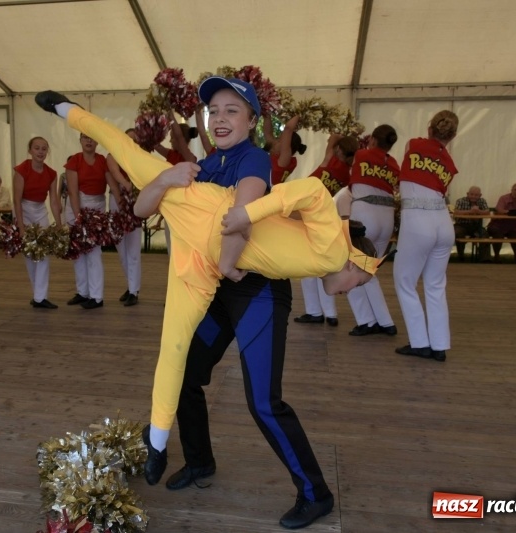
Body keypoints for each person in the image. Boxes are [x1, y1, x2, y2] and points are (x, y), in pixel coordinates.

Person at [34, 78, 379, 529]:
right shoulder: (206, 165)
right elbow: (152, 206)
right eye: (214, 111)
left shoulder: (253, 158)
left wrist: (230, 264)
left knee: (264, 402)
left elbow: (243, 215)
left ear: (252, 121)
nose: (220, 118)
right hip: (217, 284)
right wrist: (165, 178)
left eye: (232, 110)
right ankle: (199, 461)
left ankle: (316, 493)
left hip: (255, 289)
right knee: (188, 375)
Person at [393, 110, 460, 362]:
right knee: (435, 284)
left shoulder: (414, 144)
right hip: (443, 221)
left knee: (405, 280)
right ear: (453, 135)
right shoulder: (450, 163)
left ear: (430, 128)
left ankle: (420, 341)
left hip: (417, 218)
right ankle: (439, 344)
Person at [293, 134, 359, 326]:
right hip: (323, 216)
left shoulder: (330, 164)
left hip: (307, 214)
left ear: (338, 149)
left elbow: (328, 149)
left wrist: (332, 137)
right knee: (322, 265)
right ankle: (330, 312)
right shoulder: (346, 174)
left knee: (307, 267)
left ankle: (314, 311)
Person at [346, 125, 400, 337]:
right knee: (370, 268)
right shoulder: (393, 163)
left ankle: (367, 320)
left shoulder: (362, 154)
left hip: (364, 213)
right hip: (386, 216)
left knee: (354, 266)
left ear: (373, 140)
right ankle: (385, 321)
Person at [64, 132, 122, 309]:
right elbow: (72, 191)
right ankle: (83, 292)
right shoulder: (74, 160)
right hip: (77, 206)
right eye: (85, 138)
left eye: (92, 137)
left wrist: (124, 206)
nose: (89, 141)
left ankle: (97, 296)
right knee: (78, 252)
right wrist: (78, 216)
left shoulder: (102, 161)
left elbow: (112, 186)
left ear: (97, 140)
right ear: (80, 140)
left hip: (96, 208)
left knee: (94, 253)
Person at [13, 136, 63, 309]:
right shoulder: (21, 170)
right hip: (24, 209)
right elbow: (16, 200)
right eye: (37, 148)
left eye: (44, 148)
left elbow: (54, 201)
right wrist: (20, 226)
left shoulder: (51, 173)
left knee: (43, 253)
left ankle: (40, 297)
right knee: (29, 254)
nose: (40, 152)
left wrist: (59, 224)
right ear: (30, 150)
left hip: (40, 210)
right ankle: (38, 295)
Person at [107, 128, 144, 307]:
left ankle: (133, 290)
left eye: (135, 140)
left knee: (133, 248)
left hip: (136, 200)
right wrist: (126, 186)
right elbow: (113, 172)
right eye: (129, 139)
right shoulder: (113, 154)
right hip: (117, 199)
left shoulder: (141, 155)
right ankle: (130, 285)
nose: (132, 142)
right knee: (121, 248)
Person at [486, 182, 516, 263]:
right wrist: (513, 212)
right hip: (499, 224)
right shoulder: (504, 198)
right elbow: (499, 210)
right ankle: (496, 256)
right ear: (511, 190)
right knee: (497, 233)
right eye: (515, 189)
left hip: (514, 226)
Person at [263, 115, 305, 185]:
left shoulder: (284, 159)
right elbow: (268, 133)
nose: (275, 140)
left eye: (279, 140)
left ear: (286, 147)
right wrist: (267, 115)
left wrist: (299, 114)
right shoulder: (276, 152)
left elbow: (288, 130)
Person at [453, 186, 491, 262]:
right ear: (467, 194)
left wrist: (478, 211)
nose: (473, 196)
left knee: (485, 234)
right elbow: (456, 212)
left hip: (476, 226)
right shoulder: (460, 201)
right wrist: (470, 211)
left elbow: (487, 212)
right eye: (472, 194)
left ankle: (485, 259)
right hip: (461, 225)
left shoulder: (482, 201)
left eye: (476, 195)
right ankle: (461, 257)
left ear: (480, 195)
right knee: (458, 233)